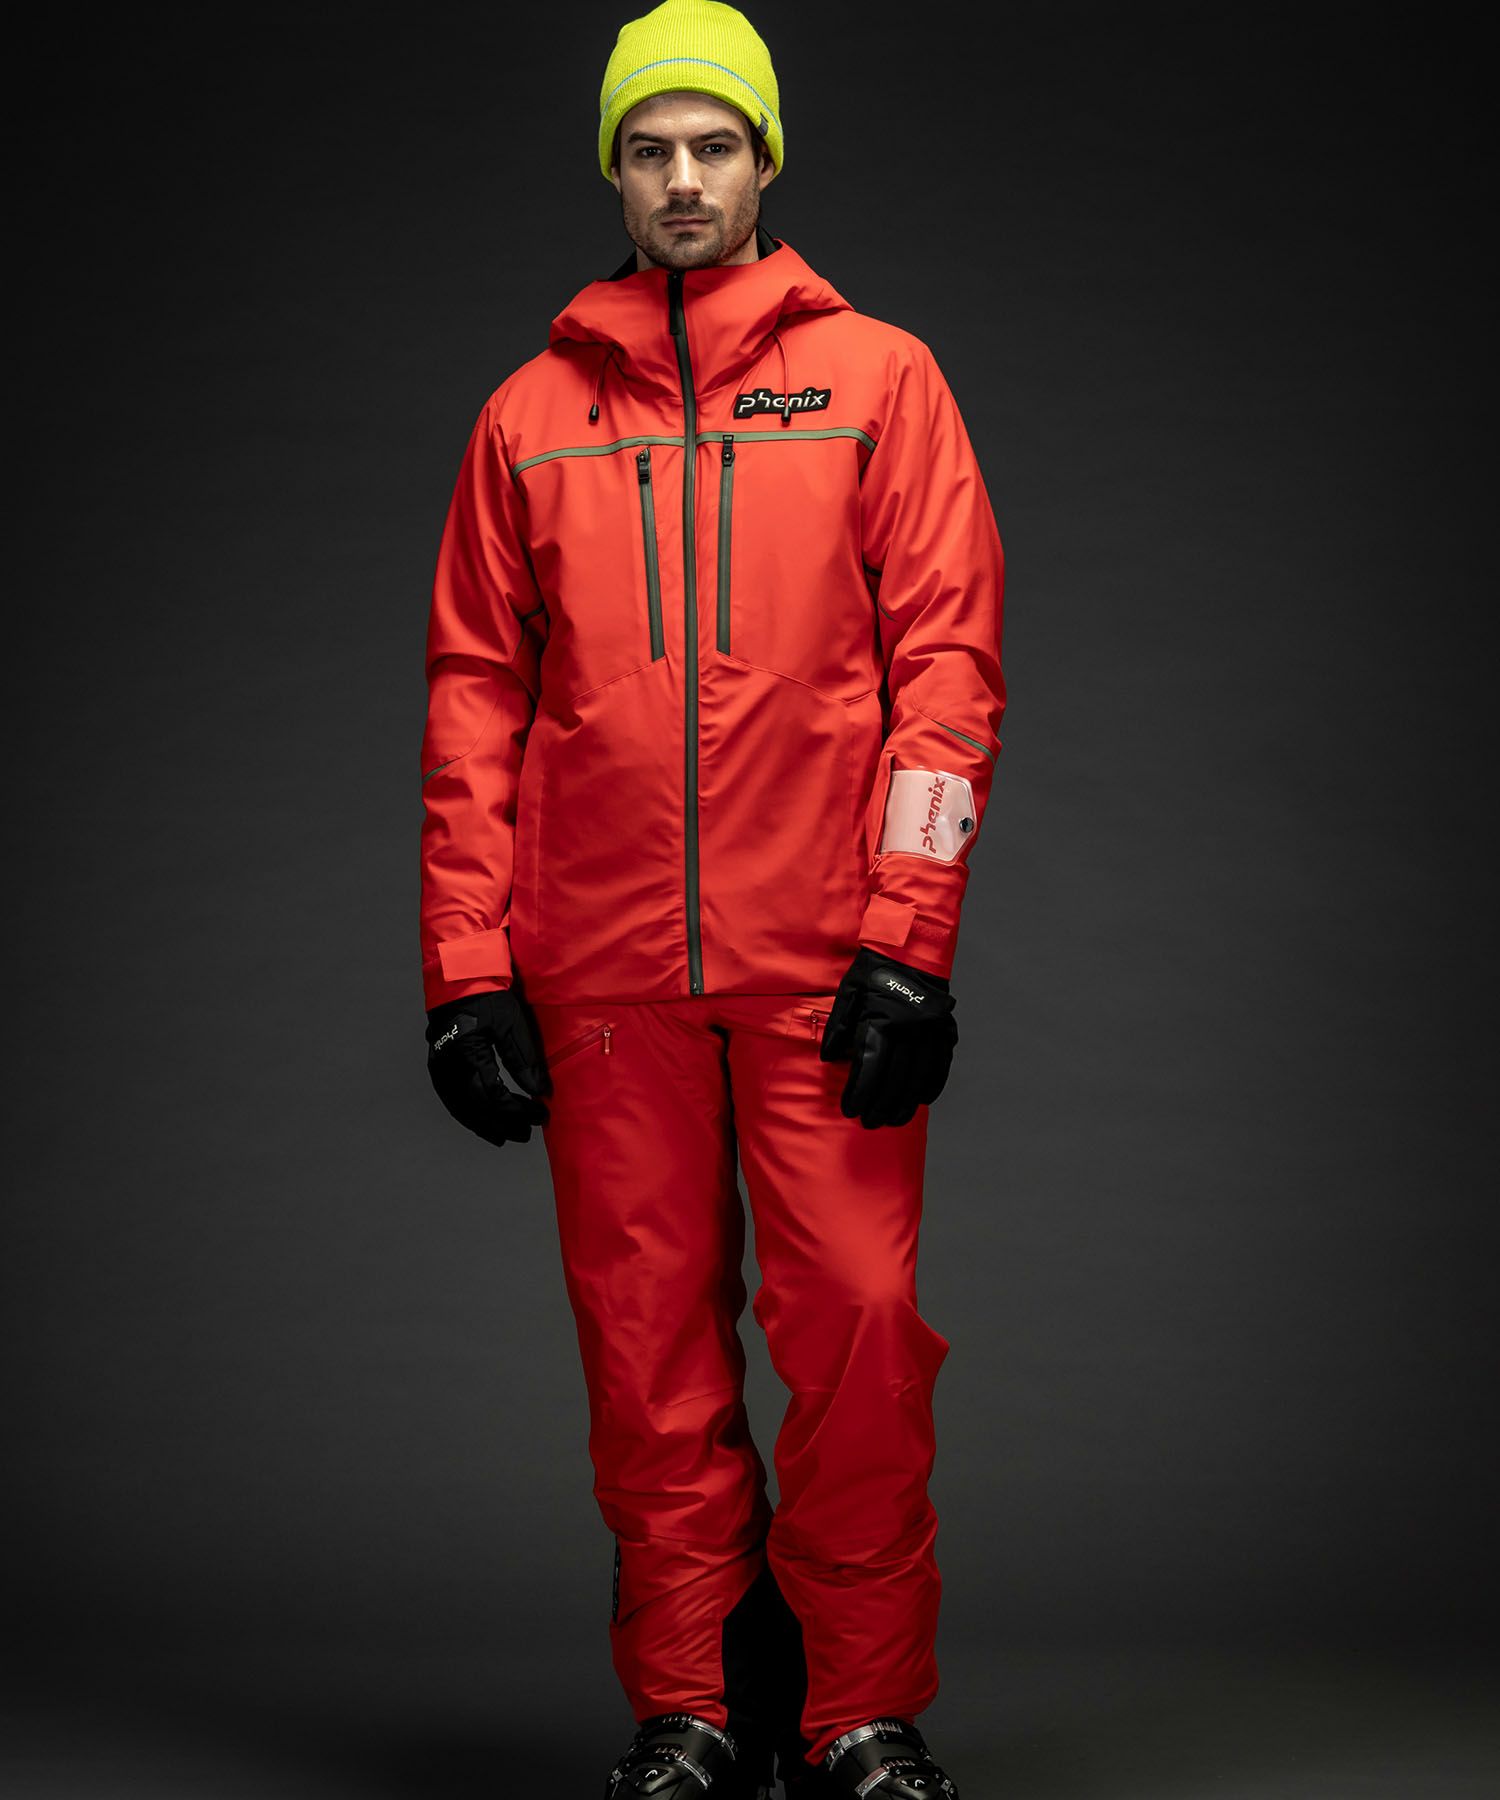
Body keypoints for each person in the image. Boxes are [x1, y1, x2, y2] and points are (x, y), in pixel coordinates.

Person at [417, 2, 1005, 1792]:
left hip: (825, 971)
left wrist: (908, 942)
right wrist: (466, 969)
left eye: (715, 145)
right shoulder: (527, 419)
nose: (683, 179)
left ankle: (859, 1713)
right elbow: (474, 701)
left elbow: (948, 676)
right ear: (613, 170)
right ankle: (686, 1707)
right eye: (650, 148)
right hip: (601, 981)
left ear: (765, 162)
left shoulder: (882, 382)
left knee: (859, 1345)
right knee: (648, 1360)